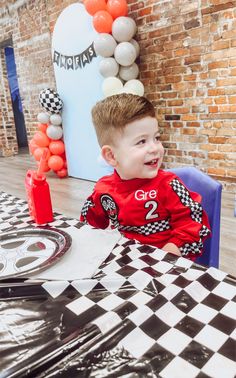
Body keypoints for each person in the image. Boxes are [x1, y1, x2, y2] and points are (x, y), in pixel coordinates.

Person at [80, 94, 211, 260]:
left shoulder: (169, 185)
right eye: (141, 141)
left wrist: (168, 254)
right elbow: (87, 224)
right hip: (129, 262)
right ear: (111, 156)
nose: (155, 148)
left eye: (156, 138)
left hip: (169, 265)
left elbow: (194, 222)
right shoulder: (103, 190)